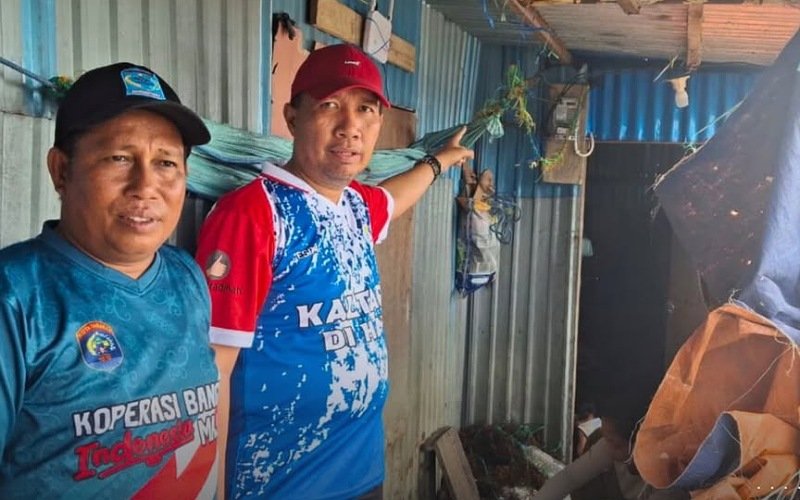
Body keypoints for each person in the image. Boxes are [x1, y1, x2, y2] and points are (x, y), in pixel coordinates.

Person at [195, 43, 474, 499]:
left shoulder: (355, 206)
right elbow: (212, 368)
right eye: (330, 105)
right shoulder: (253, 214)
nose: (350, 127)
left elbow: (394, 199)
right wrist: (212, 492)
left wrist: (439, 160)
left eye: (366, 110)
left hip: (362, 472)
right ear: (292, 117)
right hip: (283, 485)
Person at [0, 62, 219, 498]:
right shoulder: (17, 296)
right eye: (120, 158)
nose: (146, 186)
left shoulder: (186, 277)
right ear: (61, 170)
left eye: (166, 163)